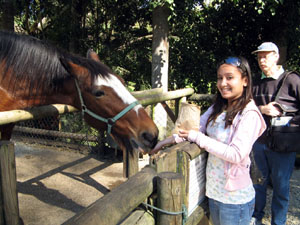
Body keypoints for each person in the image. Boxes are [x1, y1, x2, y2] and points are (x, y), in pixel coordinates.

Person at [150, 56, 266, 225]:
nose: (223, 83)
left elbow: (235, 154)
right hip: (213, 192)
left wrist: (197, 137)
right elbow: (192, 130)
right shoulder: (218, 107)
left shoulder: (250, 114)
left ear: (245, 80)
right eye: (220, 78)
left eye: (230, 77)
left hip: (234, 199)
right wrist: (163, 143)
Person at [251, 42, 300, 225]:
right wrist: (262, 109)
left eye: (266, 56)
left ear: (276, 56)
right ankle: (256, 217)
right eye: (259, 56)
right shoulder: (256, 83)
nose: (262, 60)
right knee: (257, 183)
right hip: (258, 142)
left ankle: (278, 222)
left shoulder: (292, 79)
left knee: (281, 187)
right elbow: (246, 108)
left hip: (283, 144)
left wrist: (289, 122)